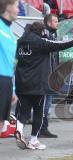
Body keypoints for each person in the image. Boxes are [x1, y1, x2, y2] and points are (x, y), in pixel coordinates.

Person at [15, 22, 73, 150]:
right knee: (38, 112)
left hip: (21, 82)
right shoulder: (40, 42)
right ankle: (33, 140)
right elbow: (58, 46)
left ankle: (18, 129)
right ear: (42, 31)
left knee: (24, 110)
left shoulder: (19, 42)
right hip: (37, 83)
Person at [38, 14, 59, 138]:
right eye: (55, 21)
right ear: (48, 23)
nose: (57, 23)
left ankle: (43, 128)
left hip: (52, 73)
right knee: (45, 104)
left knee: (48, 103)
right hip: (46, 75)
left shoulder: (53, 35)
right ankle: (41, 128)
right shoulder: (45, 36)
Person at [0, 0, 19, 138]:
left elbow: (11, 64)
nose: (18, 10)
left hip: (6, 82)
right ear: (8, 7)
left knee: (1, 124)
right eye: (17, 6)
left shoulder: (11, 34)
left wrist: (12, 89)